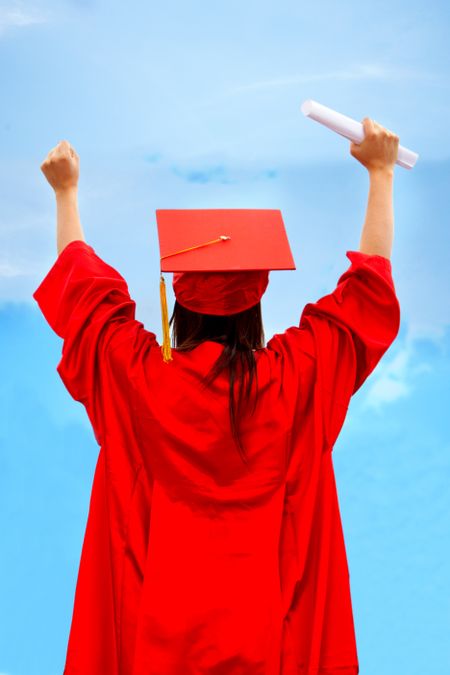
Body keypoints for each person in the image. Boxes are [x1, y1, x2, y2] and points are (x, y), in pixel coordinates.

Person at [33, 118, 400, 675]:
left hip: (156, 647)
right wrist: (381, 172)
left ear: (177, 302)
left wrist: (66, 193)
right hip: (269, 644)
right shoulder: (297, 378)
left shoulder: (139, 379)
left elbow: (86, 297)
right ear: (254, 303)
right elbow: (365, 296)